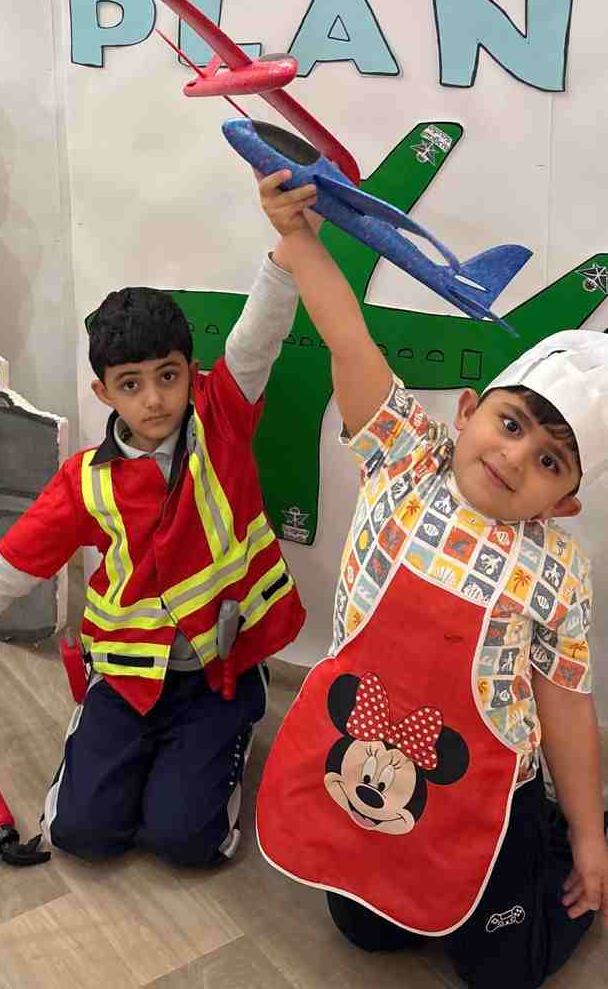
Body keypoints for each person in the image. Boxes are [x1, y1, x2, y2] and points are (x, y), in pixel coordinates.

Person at [252, 167, 608, 988]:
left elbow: (565, 706)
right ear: (468, 410)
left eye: (550, 460)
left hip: (489, 787)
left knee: (501, 972)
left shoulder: (559, 570)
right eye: (511, 423)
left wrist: (590, 836)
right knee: (363, 930)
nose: (515, 456)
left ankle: (551, 848)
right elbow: (349, 337)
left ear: (565, 502)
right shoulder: (405, 456)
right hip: (367, 757)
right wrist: (298, 236)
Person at [0, 252, 306, 865]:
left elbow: (258, 336)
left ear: (192, 374)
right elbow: (7, 570)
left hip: (220, 672)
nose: (154, 400)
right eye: (131, 384)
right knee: (81, 834)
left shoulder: (222, 418)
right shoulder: (85, 482)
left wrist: (288, 249)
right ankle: (117, 739)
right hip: (128, 675)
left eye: (168, 376)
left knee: (187, 842)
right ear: (103, 392)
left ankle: (231, 724)